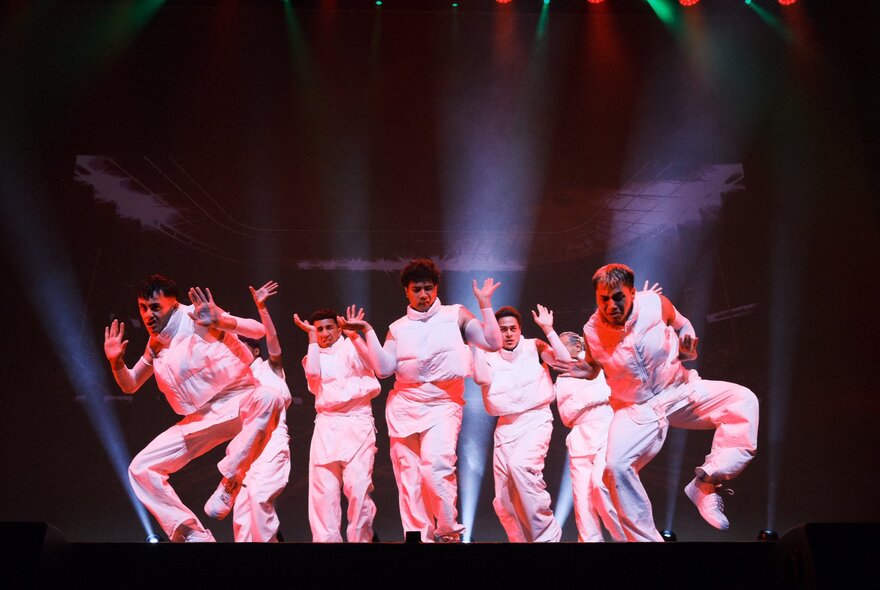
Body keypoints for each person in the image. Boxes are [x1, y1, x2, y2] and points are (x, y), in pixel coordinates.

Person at [569, 263, 759, 542]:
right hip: (636, 408)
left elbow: (681, 324)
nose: (611, 305)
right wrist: (581, 371)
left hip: (678, 390)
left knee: (743, 400)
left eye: (617, 297)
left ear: (632, 293)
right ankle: (647, 542)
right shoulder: (592, 330)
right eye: (603, 299)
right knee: (615, 468)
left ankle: (706, 483)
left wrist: (686, 344)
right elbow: (593, 367)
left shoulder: (655, 304)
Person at [103, 275, 286, 542]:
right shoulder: (155, 344)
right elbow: (130, 384)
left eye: (156, 307)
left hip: (239, 396)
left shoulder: (196, 315)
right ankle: (191, 533)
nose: (148, 314)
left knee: (270, 396)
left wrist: (220, 321)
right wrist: (116, 362)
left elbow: (257, 331)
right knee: (141, 468)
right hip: (202, 417)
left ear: (174, 305)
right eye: (143, 307)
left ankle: (230, 481)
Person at [339, 258, 502, 543]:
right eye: (417, 289)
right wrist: (365, 332)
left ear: (436, 288)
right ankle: (418, 536)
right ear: (407, 291)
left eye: (428, 288)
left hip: (443, 403)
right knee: (409, 476)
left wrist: (485, 304)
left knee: (436, 464)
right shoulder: (398, 327)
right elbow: (384, 368)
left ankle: (448, 529)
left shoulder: (456, 314)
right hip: (404, 405)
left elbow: (492, 342)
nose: (423, 294)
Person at [470, 304, 570, 543]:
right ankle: (520, 540)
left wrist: (548, 330)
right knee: (503, 500)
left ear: (520, 329)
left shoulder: (533, 346)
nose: (508, 333)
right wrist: (475, 345)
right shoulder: (487, 355)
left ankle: (547, 535)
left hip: (536, 419)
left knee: (520, 466)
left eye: (512, 328)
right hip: (505, 426)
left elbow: (563, 362)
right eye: (502, 329)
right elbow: (481, 378)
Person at [293, 306, 381, 543]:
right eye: (319, 329)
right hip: (326, 426)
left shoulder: (352, 344)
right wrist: (311, 338)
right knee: (323, 496)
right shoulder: (312, 355)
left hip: (357, 421)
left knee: (359, 490)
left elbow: (377, 365)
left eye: (329, 327)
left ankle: (361, 540)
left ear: (339, 327)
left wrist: (355, 334)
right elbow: (312, 375)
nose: (324, 333)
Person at [233, 280, 292, 543]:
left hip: (273, 441)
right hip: (247, 448)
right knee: (242, 513)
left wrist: (262, 309)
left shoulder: (270, 368)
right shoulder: (235, 382)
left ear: (255, 350)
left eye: (241, 346)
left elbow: (274, 343)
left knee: (259, 499)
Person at [554, 331, 626, 543]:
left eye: (562, 345)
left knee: (600, 486)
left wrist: (582, 400)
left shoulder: (599, 366)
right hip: (579, 438)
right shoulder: (562, 376)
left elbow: (609, 393)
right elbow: (565, 414)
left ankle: (625, 538)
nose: (558, 351)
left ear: (578, 346)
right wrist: (591, 398)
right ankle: (589, 541)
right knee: (582, 500)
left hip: (606, 430)